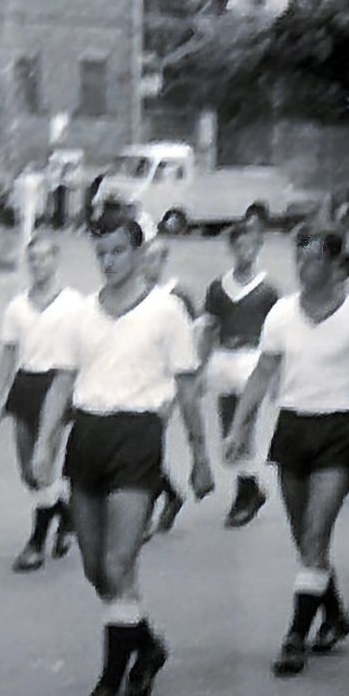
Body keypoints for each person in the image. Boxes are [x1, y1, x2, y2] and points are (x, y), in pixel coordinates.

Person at [33, 210, 213, 696]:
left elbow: (185, 388)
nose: (109, 262)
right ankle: (147, 644)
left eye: (118, 251)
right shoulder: (81, 316)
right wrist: (45, 444)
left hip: (138, 438)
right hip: (88, 436)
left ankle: (106, 690)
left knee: (118, 564)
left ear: (137, 252)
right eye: (101, 253)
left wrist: (200, 457)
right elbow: (62, 384)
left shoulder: (166, 313)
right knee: (96, 569)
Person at [223, 228, 349, 676]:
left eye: (313, 259)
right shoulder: (280, 314)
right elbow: (262, 373)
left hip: (337, 428)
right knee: (303, 539)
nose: (303, 267)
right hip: (293, 427)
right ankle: (333, 613)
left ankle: (295, 636)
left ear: (335, 266)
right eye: (299, 258)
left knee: (316, 537)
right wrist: (239, 426)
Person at [0, 228, 82, 570]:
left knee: (42, 463)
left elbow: (84, 347)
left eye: (44, 257)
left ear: (55, 259)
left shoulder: (74, 303)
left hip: (58, 384)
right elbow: (8, 351)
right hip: (25, 385)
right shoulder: (17, 306)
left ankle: (36, 542)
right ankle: (66, 510)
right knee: (28, 473)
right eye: (32, 258)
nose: (38, 264)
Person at [202, 218, 280, 528]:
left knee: (243, 425)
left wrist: (276, 376)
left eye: (251, 246)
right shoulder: (219, 287)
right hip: (224, 359)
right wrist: (199, 368)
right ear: (231, 248)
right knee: (227, 429)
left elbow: (277, 336)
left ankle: (244, 494)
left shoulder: (267, 290)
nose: (245, 252)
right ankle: (251, 488)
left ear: (258, 248)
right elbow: (209, 328)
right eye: (239, 246)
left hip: (252, 360)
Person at [140, 228, 203, 536]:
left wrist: (195, 376)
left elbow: (199, 333)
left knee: (147, 446)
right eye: (144, 258)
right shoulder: (134, 292)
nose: (147, 265)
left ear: (163, 261)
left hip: (169, 381)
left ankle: (145, 515)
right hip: (139, 379)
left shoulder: (178, 294)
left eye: (153, 258)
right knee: (139, 448)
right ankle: (171, 495)